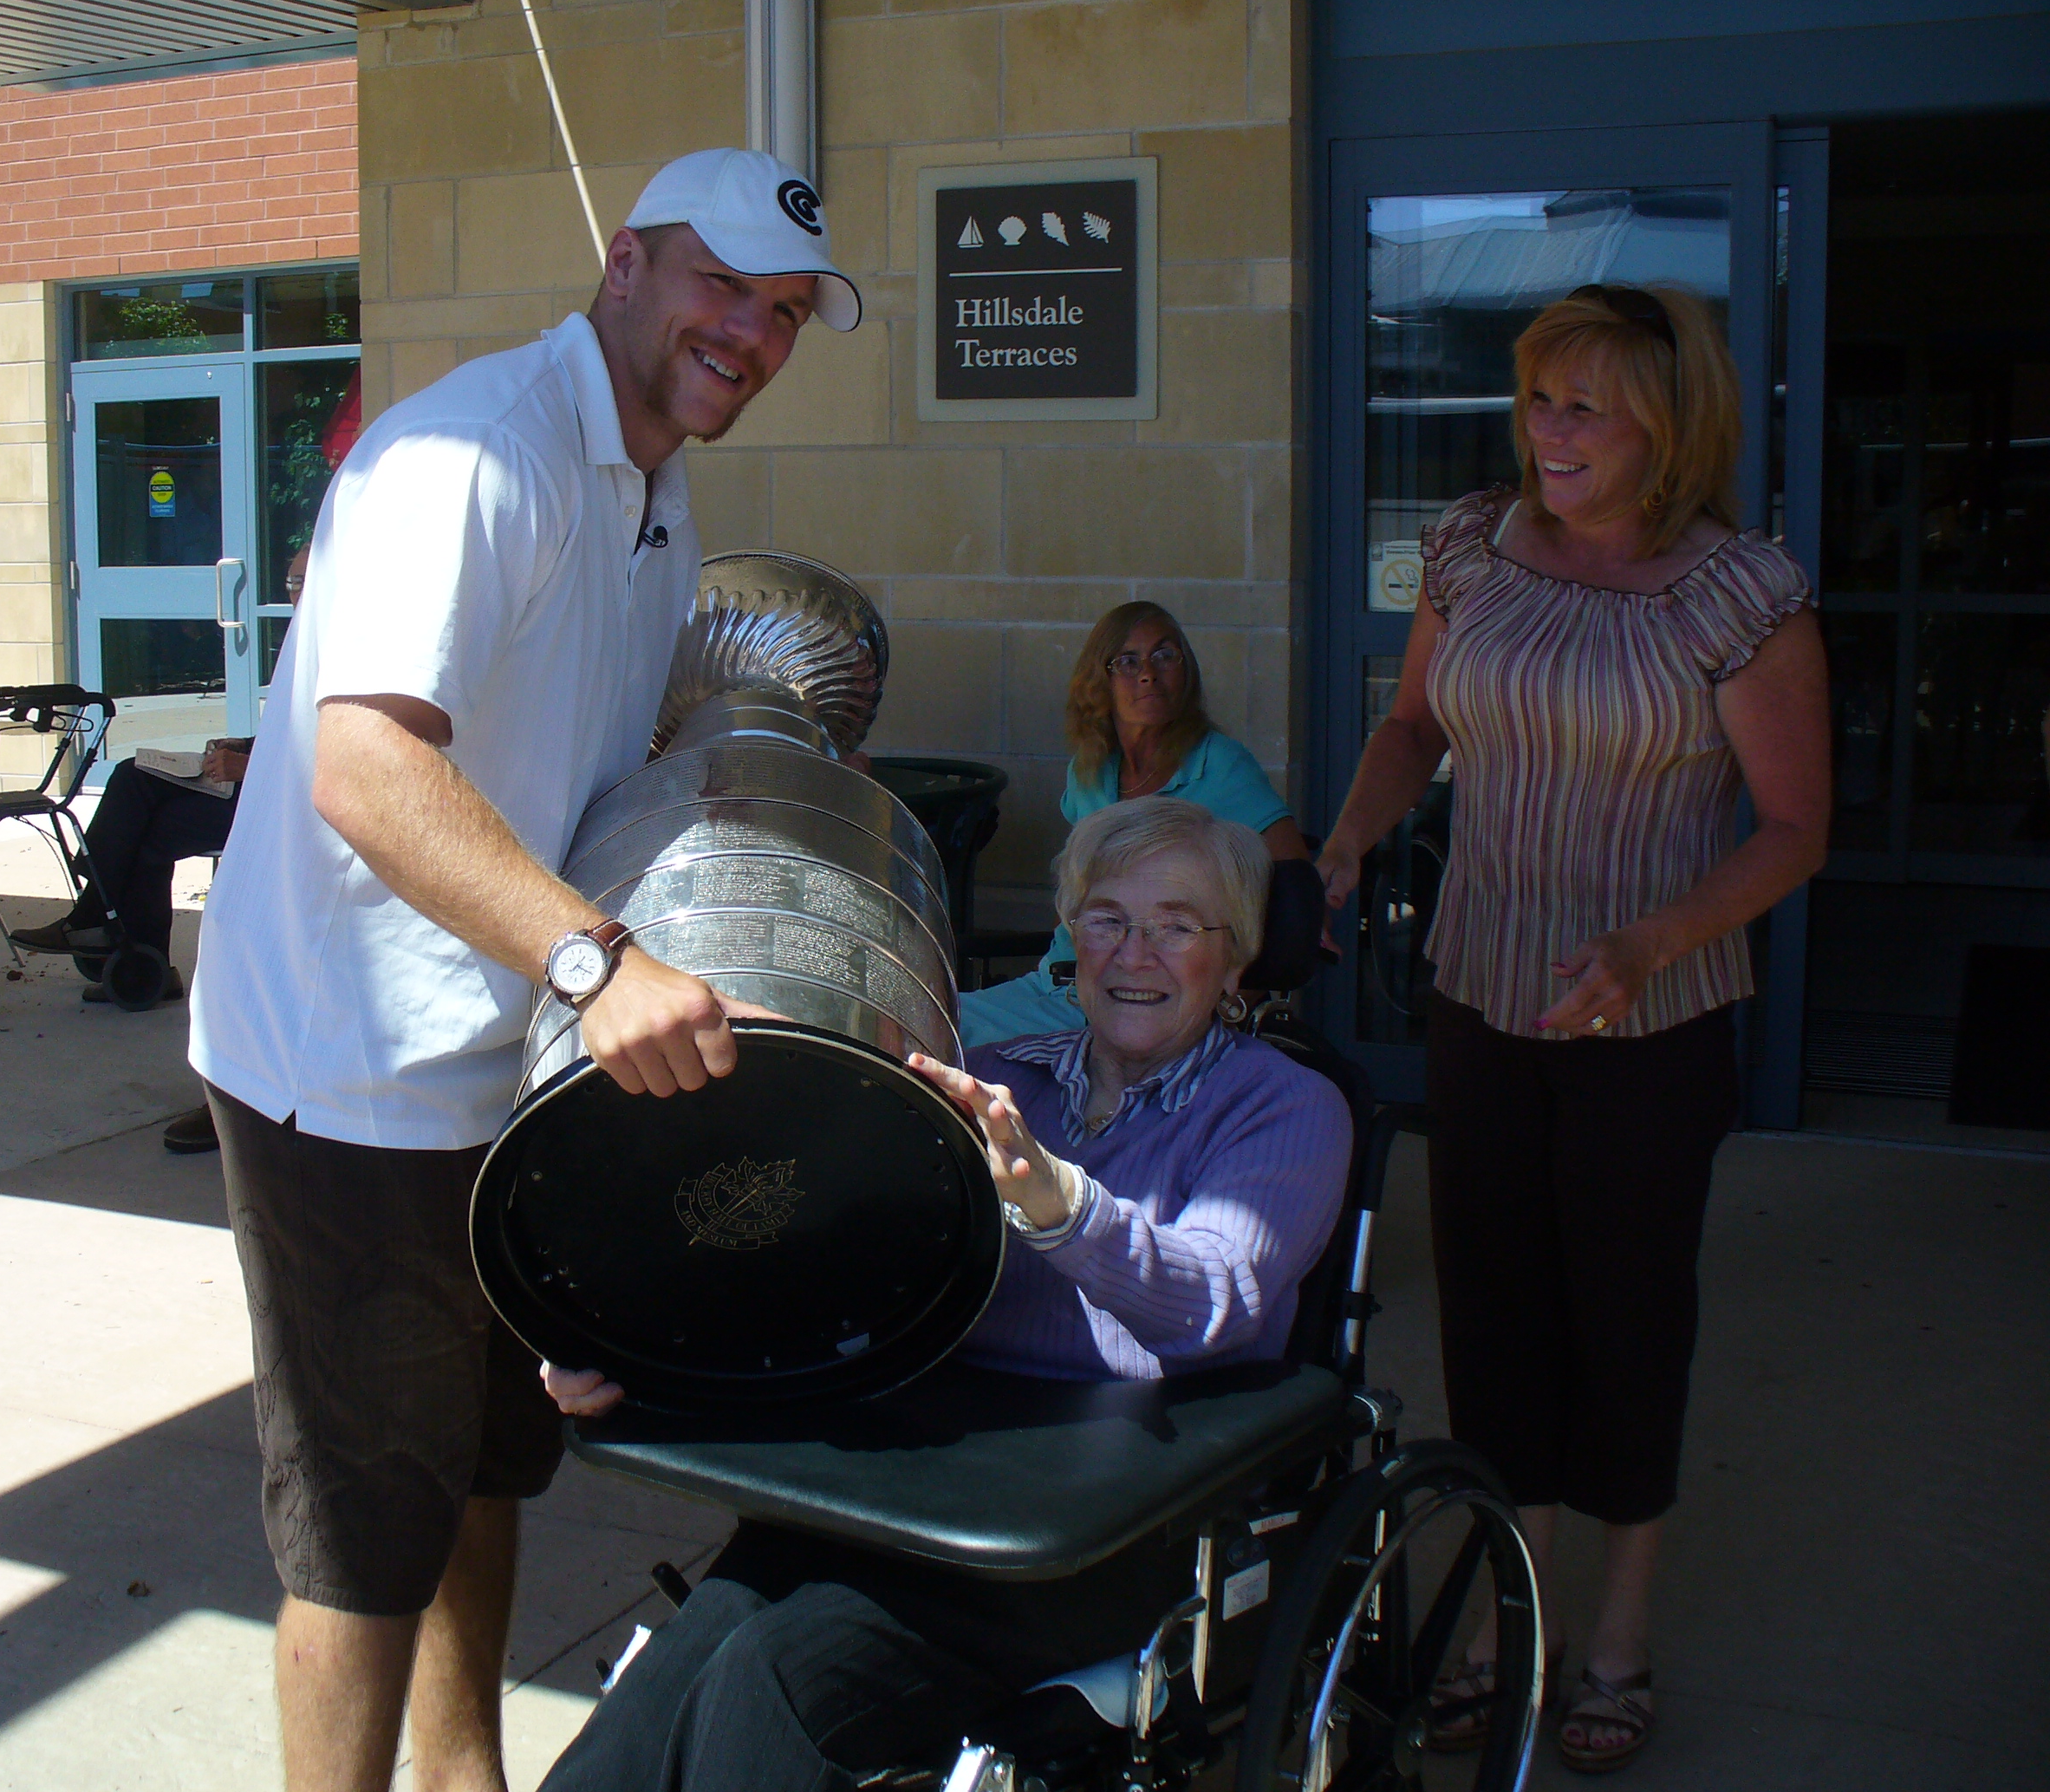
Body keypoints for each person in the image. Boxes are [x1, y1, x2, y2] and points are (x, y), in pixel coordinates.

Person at [185, 148, 859, 1792]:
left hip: (513, 1065)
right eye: (722, 286)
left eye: (782, 314)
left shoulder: (655, 481)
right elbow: (366, 766)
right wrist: (598, 959)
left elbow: (594, 780)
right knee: (362, 1517)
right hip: (345, 1067)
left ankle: (462, 1775)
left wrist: (697, 952)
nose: (751, 336)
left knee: (489, 1458)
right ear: (623, 261)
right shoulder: (474, 453)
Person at [537, 797, 1352, 1790]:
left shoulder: (1285, 1106)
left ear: (1233, 958)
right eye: (1105, 919)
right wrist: (638, 1346)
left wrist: (1058, 1207)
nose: (1133, 952)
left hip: (1106, 1519)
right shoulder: (993, 1075)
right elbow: (827, 1262)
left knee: (767, 1683)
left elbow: (1217, 1296)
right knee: (673, 1675)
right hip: (914, 1476)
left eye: (1176, 927)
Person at [1314, 283, 1829, 1774]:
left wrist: (1652, 939)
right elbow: (1414, 726)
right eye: (1538, 398)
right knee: (1492, 1313)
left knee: (1624, 1321)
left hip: (1650, 1027)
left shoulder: (1737, 593)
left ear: (1665, 424)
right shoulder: (1474, 546)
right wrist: (1348, 843)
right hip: (1479, 993)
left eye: (1583, 405)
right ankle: (1505, 1613)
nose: (1548, 431)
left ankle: (1616, 1635)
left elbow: (1795, 827)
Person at [960, 602, 1309, 1045]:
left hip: (1141, 998)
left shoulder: (1220, 765)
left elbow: (1295, 896)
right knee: (925, 1023)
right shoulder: (1088, 771)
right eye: (1127, 661)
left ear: (1186, 672)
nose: (1148, 673)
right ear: (1099, 682)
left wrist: (1226, 1003)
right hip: (1061, 983)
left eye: (1165, 655)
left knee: (958, 1046)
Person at [8, 740, 248, 1003]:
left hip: (280, 805)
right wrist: (243, 745)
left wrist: (247, 765)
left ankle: (97, 925)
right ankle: (117, 937)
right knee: (131, 774)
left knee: (150, 831)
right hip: (253, 784)